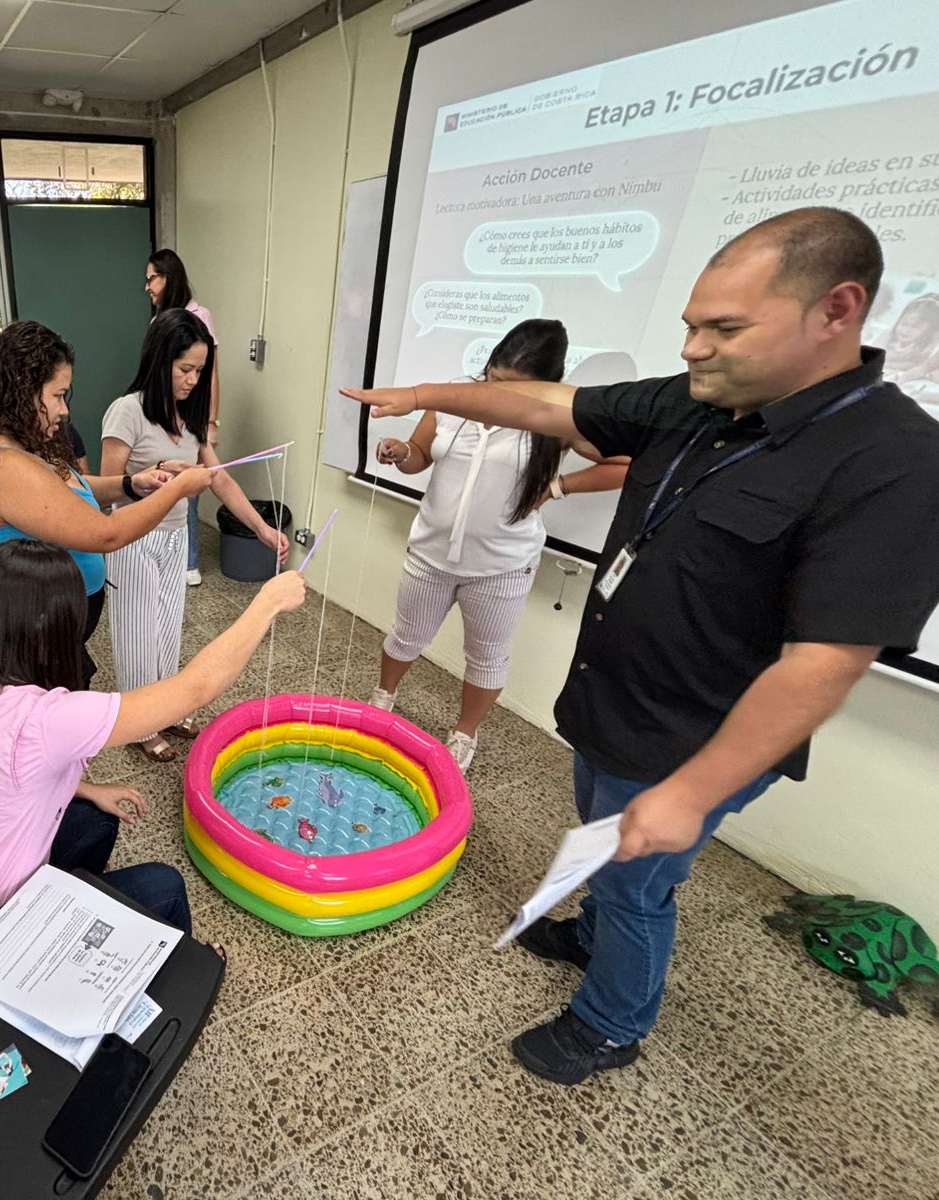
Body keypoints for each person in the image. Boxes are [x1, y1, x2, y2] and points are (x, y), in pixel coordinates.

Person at [342, 207, 939, 1085]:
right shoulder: (697, 400)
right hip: (612, 701)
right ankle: (591, 937)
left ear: (837, 310)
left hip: (690, 737)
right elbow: (542, 403)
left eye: (723, 327)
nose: (695, 347)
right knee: (605, 845)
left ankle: (611, 1024)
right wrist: (426, 395)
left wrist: (691, 794)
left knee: (636, 882)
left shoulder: (895, 460)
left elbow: (824, 663)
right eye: (692, 325)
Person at [0, 538, 307, 983]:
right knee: (164, 888)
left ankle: (69, 927)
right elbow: (195, 688)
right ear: (46, 624)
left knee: (95, 821)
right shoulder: (47, 719)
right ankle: (173, 987)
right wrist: (267, 603)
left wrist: (86, 789)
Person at [367, 320, 628, 770]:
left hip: (502, 566)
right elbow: (419, 456)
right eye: (494, 379)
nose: (498, 395)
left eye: (515, 388)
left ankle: (464, 735)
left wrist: (559, 487)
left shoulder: (557, 418)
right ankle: (382, 698)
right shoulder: (453, 399)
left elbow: (624, 463)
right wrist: (401, 452)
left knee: (486, 657)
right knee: (406, 636)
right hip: (430, 552)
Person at [0, 320, 214, 676]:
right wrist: (178, 488)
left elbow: (67, 493)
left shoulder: (21, 446)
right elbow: (106, 534)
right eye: (57, 396)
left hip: (51, 628)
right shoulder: (3, 466)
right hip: (28, 638)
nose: (64, 409)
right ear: (22, 392)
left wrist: (131, 484)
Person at [103, 308, 289, 762]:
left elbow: (219, 478)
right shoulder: (127, 411)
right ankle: (139, 723)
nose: (192, 380)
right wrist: (156, 475)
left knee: (167, 629)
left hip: (173, 540)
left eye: (199, 371)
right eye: (185, 368)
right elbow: (108, 489)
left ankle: (165, 708)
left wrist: (263, 528)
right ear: (160, 361)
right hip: (134, 539)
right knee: (137, 635)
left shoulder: (190, 417)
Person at [146, 249, 220, 586]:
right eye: (185, 369)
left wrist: (210, 423)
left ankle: (188, 561)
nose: (147, 286)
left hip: (193, 419)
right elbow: (119, 491)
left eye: (152, 278)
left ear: (168, 277)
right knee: (166, 487)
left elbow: (211, 375)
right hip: (162, 418)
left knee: (190, 494)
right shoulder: (157, 321)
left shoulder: (200, 316)